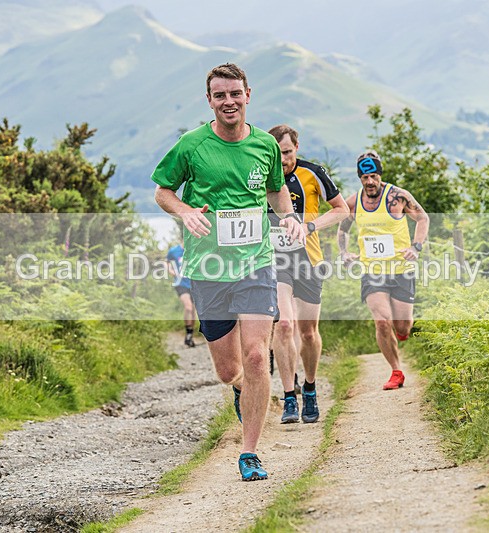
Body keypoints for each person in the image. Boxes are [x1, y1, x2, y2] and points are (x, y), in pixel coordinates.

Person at [152, 63, 305, 482]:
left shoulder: (264, 145)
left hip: (256, 263)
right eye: (220, 95)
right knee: (229, 370)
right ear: (210, 101)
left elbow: (275, 189)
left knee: (258, 356)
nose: (228, 101)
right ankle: (242, 389)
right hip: (209, 269)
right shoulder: (191, 145)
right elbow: (163, 190)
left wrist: (288, 218)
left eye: (234, 93)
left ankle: (250, 452)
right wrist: (185, 211)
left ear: (248, 94)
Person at [267, 124, 348, 424]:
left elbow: (341, 210)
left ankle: (310, 388)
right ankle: (289, 396)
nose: (283, 159)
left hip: (309, 260)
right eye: (278, 154)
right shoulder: (259, 177)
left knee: (308, 332)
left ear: (296, 148)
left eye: (287, 152)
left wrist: (310, 226)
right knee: (284, 325)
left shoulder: (312, 173)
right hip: (275, 261)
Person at [337, 150, 429, 390]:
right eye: (365, 177)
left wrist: (416, 247)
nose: (370, 182)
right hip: (372, 270)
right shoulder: (353, 202)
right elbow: (342, 229)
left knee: (402, 326)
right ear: (360, 178)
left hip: (401, 269)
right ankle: (396, 371)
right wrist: (344, 252)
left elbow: (423, 219)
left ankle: (401, 334)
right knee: (381, 321)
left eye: (373, 176)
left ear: (380, 175)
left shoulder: (398, 197)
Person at [166, 241, 196, 347]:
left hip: (194, 284)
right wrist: (174, 273)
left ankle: (189, 335)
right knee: (188, 307)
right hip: (180, 284)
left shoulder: (195, 249)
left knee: (193, 311)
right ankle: (188, 334)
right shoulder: (174, 251)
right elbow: (168, 264)